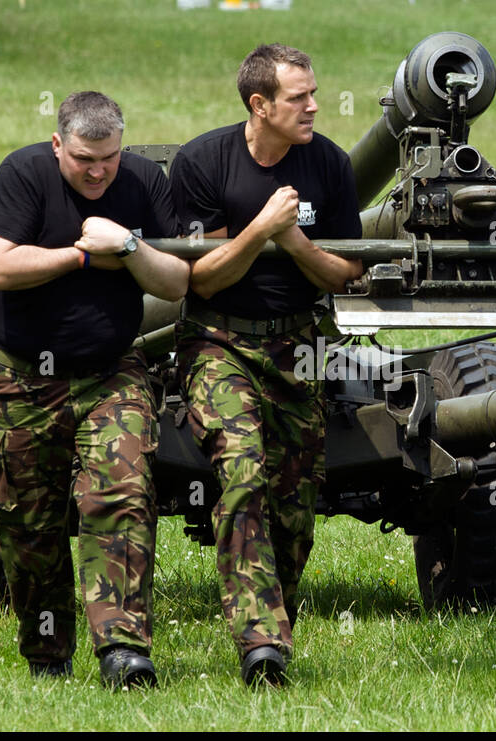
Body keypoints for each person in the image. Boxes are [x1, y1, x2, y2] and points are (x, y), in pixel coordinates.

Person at [0, 91, 189, 689]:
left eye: (109, 158)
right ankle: (47, 650)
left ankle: (122, 649)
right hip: (22, 374)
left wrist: (127, 245)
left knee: (121, 496)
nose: (98, 171)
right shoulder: (23, 174)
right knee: (29, 521)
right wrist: (80, 255)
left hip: (110, 370)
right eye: (83, 159)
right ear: (57, 146)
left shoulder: (145, 180)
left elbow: (176, 282)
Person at [170, 43, 362, 686]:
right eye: (299, 97)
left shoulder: (329, 165)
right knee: (244, 469)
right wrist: (260, 230)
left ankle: (273, 611)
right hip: (218, 341)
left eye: (313, 93)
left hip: (300, 345)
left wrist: (294, 239)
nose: (314, 105)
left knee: (295, 501)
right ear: (260, 105)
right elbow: (201, 279)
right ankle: (262, 643)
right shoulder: (203, 162)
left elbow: (347, 271)